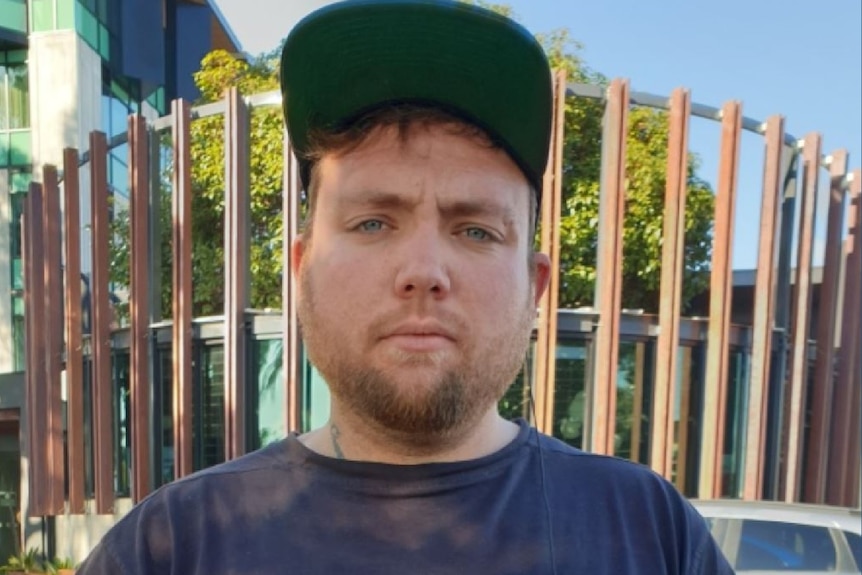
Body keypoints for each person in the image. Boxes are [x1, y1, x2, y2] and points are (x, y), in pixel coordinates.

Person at [78, 1, 734, 573]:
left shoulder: (652, 533)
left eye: (475, 230)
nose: (423, 269)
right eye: (371, 221)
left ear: (534, 287)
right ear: (304, 268)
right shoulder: (169, 549)